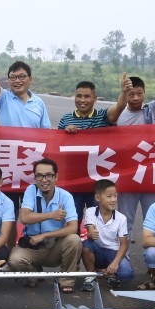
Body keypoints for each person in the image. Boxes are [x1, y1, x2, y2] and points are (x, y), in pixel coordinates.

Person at [106, 57, 155, 245]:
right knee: (125, 220)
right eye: (131, 94)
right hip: (127, 174)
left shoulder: (152, 111)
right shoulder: (117, 114)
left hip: (151, 174)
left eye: (139, 93)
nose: (136, 98)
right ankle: (123, 262)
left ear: (145, 93)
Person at [6, 158, 82, 292]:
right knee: (14, 260)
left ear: (56, 177)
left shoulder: (66, 196)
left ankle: (67, 281)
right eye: (39, 176)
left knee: (74, 240)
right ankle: (34, 272)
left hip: (55, 248)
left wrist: (45, 235)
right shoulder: (30, 190)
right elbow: (24, 217)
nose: (44, 180)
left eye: (48, 175)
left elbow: (73, 227)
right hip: (33, 246)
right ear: (35, 178)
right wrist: (51, 215)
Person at [57, 80, 113, 219]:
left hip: (98, 182)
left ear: (95, 98)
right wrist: (65, 133)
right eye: (79, 96)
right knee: (72, 220)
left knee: (99, 221)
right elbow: (57, 147)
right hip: (73, 181)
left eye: (87, 96)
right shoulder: (66, 119)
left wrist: (124, 92)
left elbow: (119, 109)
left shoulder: (103, 117)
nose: (82, 100)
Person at [0, 44, 51, 128]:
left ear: (30, 79)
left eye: (21, 76)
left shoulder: (39, 103)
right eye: (13, 77)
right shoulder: (3, 98)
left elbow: (46, 132)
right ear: (8, 80)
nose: (17, 80)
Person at [80, 179, 133, 290]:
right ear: (98, 198)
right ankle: (91, 275)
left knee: (127, 274)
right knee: (85, 246)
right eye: (109, 196)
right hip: (97, 250)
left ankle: (112, 274)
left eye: (115, 196)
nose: (113, 200)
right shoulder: (90, 211)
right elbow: (89, 235)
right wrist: (92, 235)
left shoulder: (121, 218)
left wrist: (115, 263)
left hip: (113, 252)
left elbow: (123, 244)